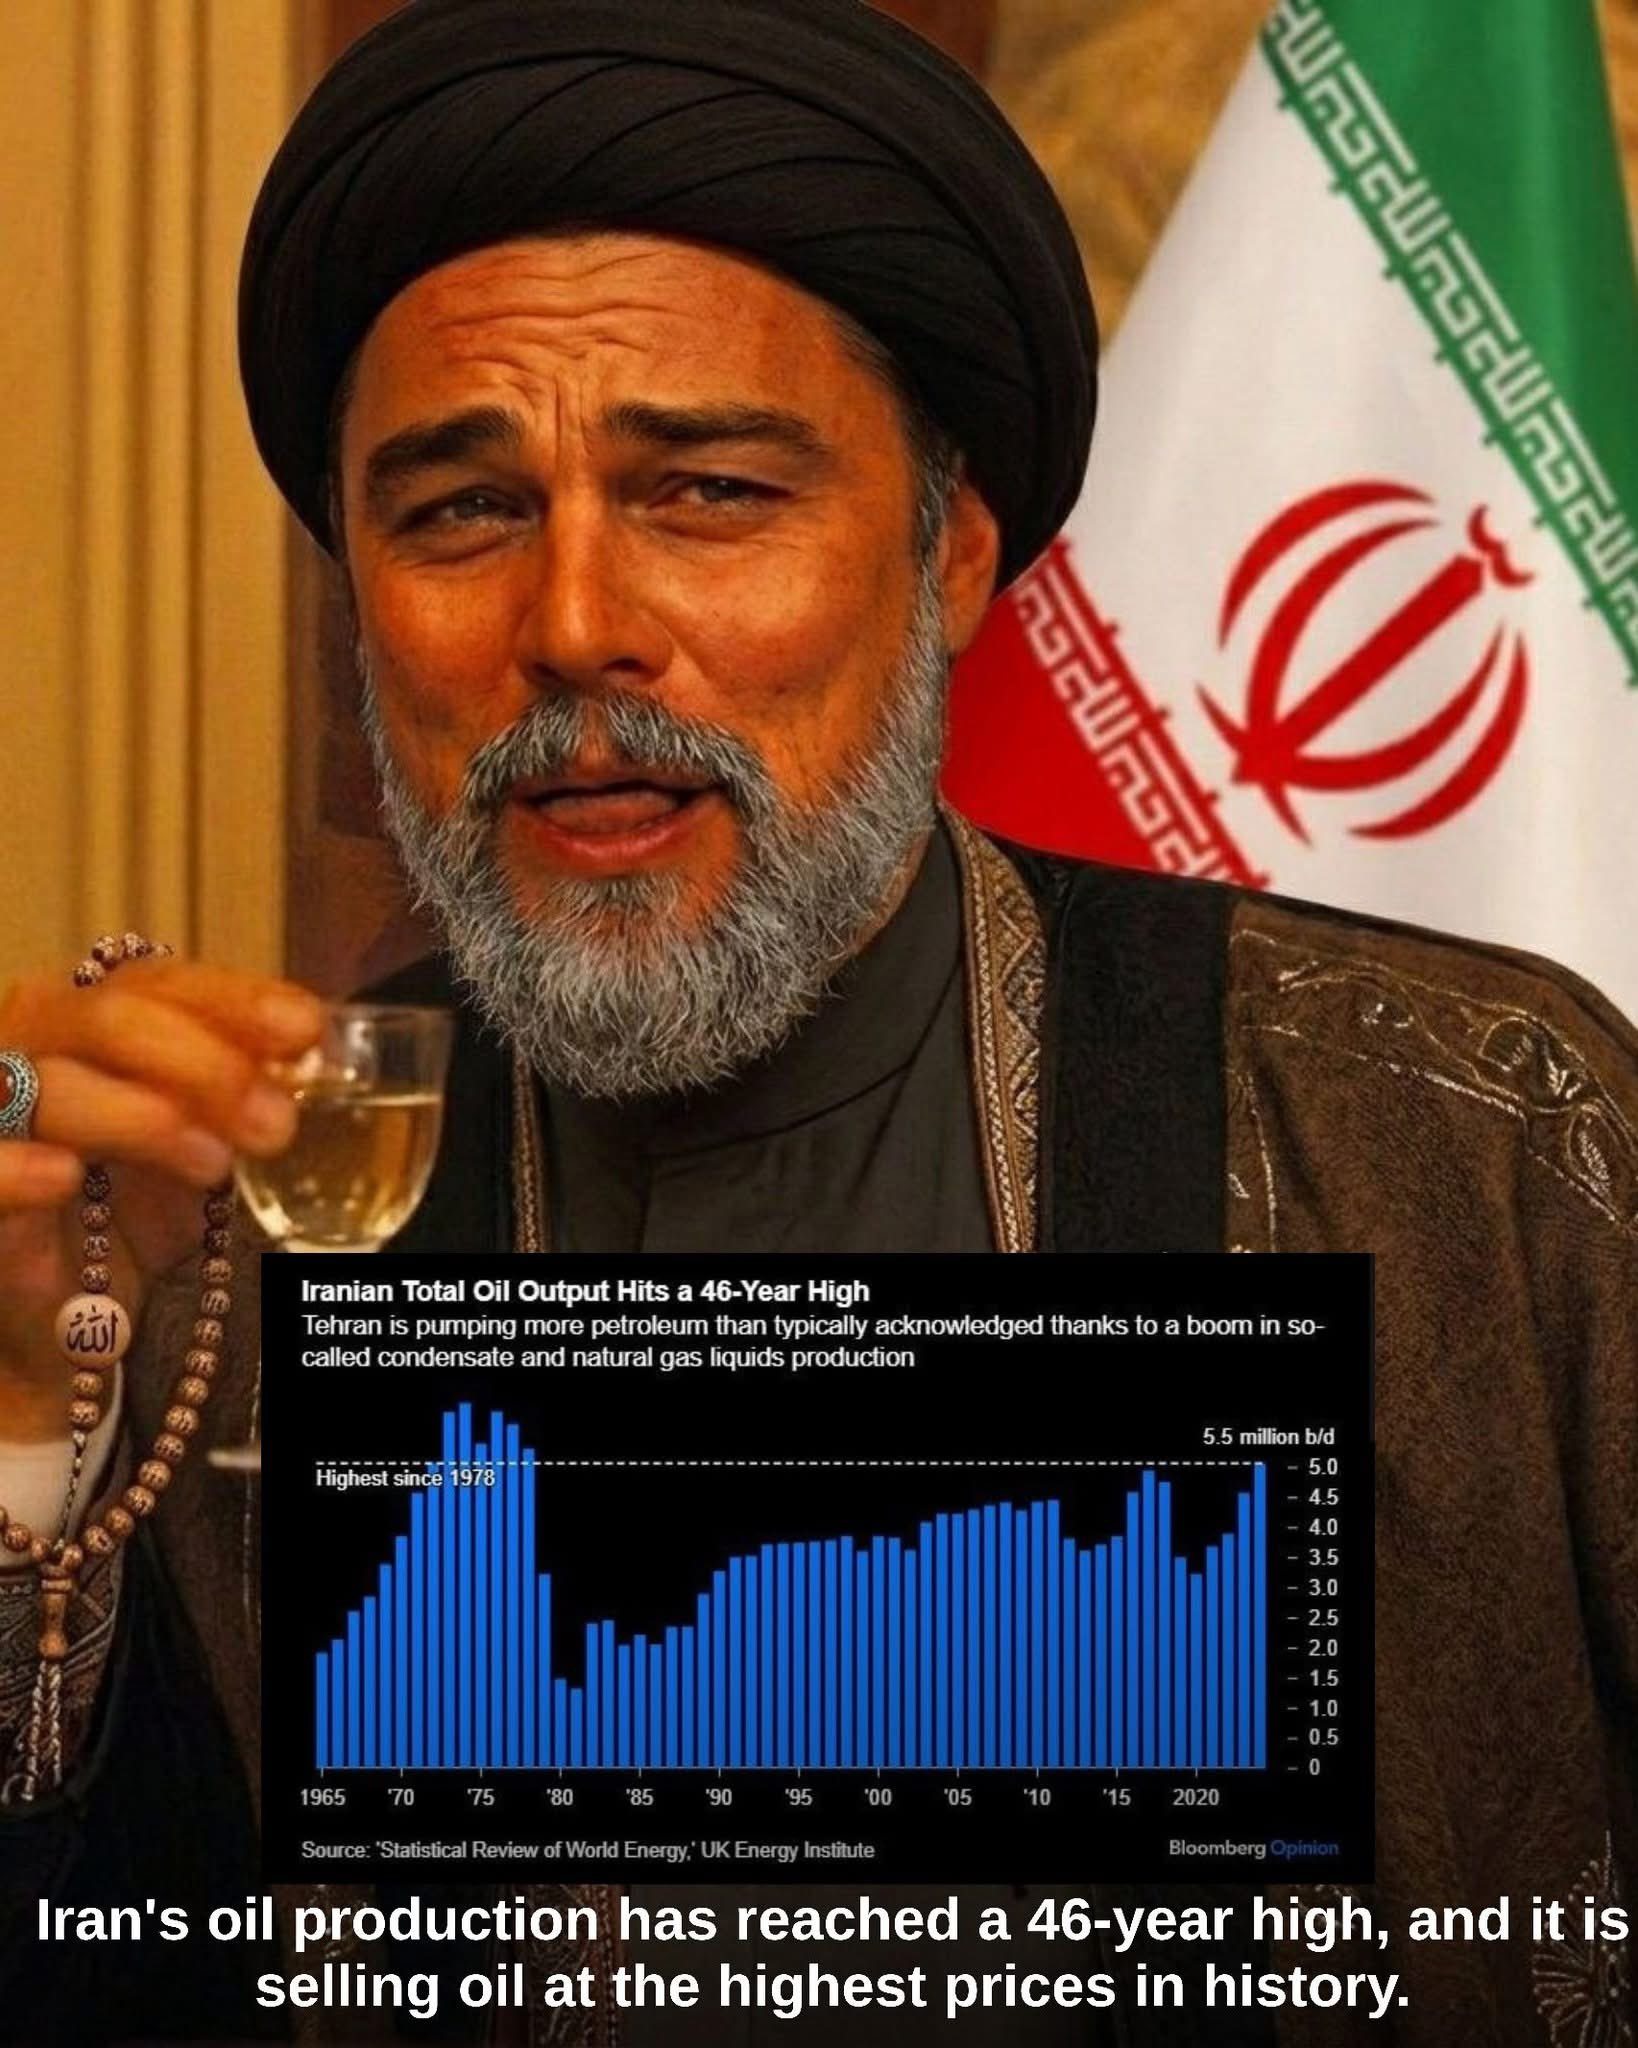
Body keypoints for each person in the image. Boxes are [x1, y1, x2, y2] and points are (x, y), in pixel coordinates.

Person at [0, 0, 1632, 2042]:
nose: (575, 624)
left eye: (706, 491)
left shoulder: (1475, 1136)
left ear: (951, 558)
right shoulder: (229, 1236)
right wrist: (24, 1439)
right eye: (460, 513)